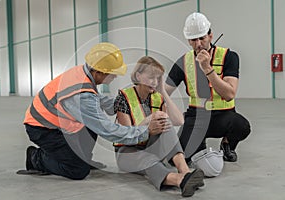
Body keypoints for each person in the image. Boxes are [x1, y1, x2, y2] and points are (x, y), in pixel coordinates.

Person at [17, 42, 171, 180]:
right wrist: (145, 132)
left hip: (59, 122)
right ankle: (36, 158)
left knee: (89, 125)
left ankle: (81, 157)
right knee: (77, 170)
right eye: (113, 73)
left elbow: (97, 100)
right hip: (42, 128)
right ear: (99, 72)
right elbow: (108, 130)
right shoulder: (82, 96)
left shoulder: (84, 73)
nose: (115, 77)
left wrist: (126, 99)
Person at [165, 12, 251, 163]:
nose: (198, 44)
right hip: (196, 116)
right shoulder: (183, 62)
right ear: (188, 41)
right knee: (180, 159)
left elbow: (230, 93)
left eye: (202, 38)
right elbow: (165, 91)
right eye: (193, 39)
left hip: (223, 115)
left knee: (241, 126)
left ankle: (227, 145)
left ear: (210, 36)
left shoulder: (229, 57)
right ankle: (198, 142)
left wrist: (207, 69)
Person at [114, 56, 204, 197]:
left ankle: (185, 171)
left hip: (149, 147)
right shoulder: (123, 98)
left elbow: (179, 121)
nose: (155, 82)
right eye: (151, 77)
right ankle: (180, 180)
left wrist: (163, 91)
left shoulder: (157, 97)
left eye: (158, 78)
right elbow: (126, 136)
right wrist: (148, 120)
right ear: (138, 76)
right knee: (148, 160)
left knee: (165, 121)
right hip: (127, 153)